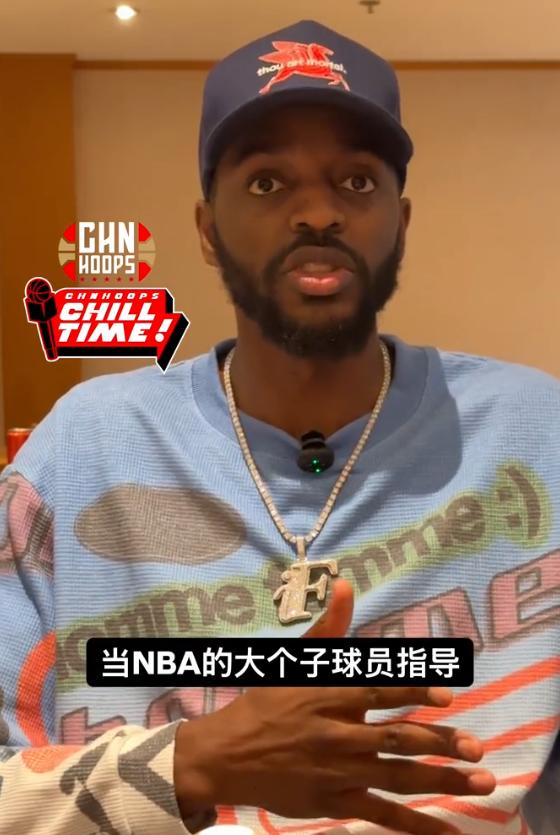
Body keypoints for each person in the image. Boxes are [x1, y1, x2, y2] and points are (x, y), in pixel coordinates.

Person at [0, 17, 558, 835]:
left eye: (356, 181)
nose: (317, 214)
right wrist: (189, 764)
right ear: (206, 228)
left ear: (402, 220)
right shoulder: (82, 448)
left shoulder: (535, 432)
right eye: (267, 183)